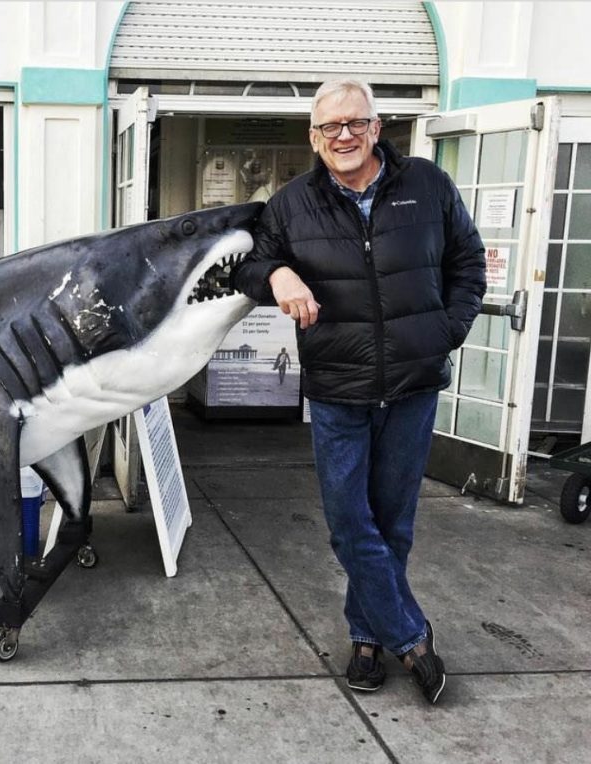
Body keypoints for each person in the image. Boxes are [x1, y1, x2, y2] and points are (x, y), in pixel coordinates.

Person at [231, 79, 486, 704]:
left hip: (412, 386)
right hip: (338, 388)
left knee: (392, 522)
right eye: (329, 127)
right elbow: (248, 264)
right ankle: (412, 638)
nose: (342, 135)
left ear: (377, 127)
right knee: (350, 523)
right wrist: (279, 273)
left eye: (355, 123)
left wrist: (445, 332)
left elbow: (468, 262)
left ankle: (366, 640)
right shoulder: (291, 204)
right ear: (313, 137)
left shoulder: (428, 185)